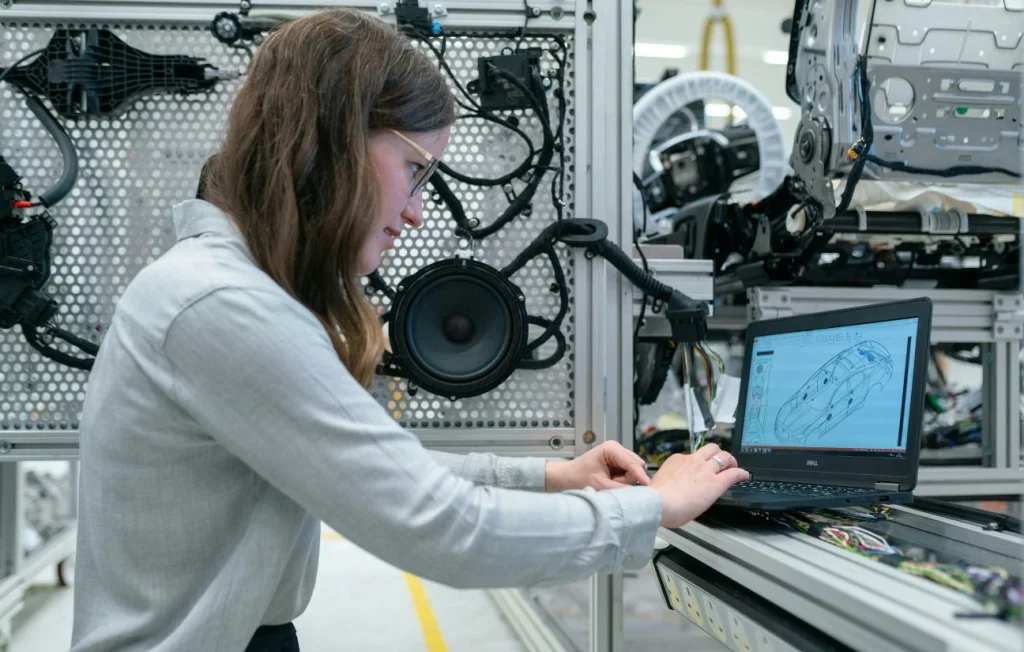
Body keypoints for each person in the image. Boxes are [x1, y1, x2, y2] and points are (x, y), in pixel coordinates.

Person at [69, 8, 749, 652]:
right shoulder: (221, 305)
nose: (418, 212)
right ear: (331, 144)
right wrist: (653, 509)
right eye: (415, 171)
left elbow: (373, 464)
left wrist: (553, 476)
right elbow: (446, 530)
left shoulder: (223, 292)